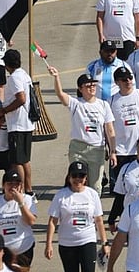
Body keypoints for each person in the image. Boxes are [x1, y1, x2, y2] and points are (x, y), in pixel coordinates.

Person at [48, 67, 117, 195]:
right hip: (78, 148)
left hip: (97, 149)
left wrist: (113, 151)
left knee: (95, 188)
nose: (92, 88)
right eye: (88, 86)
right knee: (77, 183)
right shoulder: (76, 104)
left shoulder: (103, 105)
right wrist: (57, 77)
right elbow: (60, 94)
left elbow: (110, 130)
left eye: (93, 85)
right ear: (80, 89)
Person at [44, 160, 106, 272]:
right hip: (67, 243)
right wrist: (49, 244)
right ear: (69, 177)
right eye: (74, 175)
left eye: (81, 176)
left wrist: (104, 243)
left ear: (86, 178)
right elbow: (52, 221)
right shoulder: (60, 195)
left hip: (88, 240)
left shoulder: (92, 194)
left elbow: (99, 220)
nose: (78, 179)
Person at [0, 49, 35, 194]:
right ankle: (29, 190)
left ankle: (22, 190)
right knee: (25, 160)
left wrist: (3, 111)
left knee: (16, 161)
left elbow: (21, 98)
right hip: (26, 124)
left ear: (6, 64)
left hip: (17, 124)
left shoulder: (14, 78)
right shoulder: (24, 75)